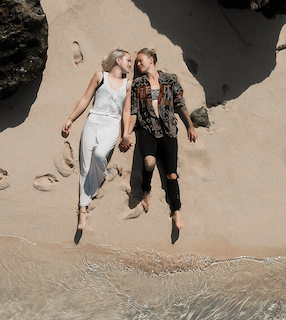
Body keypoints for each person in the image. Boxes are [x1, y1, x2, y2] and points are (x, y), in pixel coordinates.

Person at [119, 48, 197, 231]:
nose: (137, 64)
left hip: (169, 130)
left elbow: (180, 104)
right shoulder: (138, 84)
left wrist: (190, 126)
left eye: (140, 60)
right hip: (148, 129)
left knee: (171, 175)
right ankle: (147, 190)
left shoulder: (170, 80)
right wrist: (127, 133)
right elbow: (134, 111)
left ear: (152, 59)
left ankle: (176, 211)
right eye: (136, 62)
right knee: (149, 161)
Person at [62, 49, 133, 233]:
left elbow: (126, 111)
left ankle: (101, 176)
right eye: (128, 60)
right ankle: (82, 210)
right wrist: (71, 119)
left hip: (111, 125)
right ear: (118, 60)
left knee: (100, 155)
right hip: (93, 122)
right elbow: (86, 99)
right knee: (85, 166)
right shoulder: (99, 76)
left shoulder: (127, 84)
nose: (130, 64)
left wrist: (126, 133)